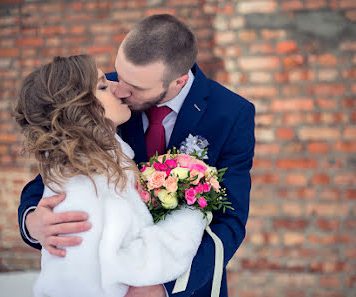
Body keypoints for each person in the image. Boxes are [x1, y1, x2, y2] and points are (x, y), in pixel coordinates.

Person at [18, 14, 255, 297]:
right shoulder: (99, 99)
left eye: (137, 88)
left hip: (187, 286)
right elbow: (55, 172)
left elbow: (229, 220)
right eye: (118, 74)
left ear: (178, 82)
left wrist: (163, 287)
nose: (120, 88)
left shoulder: (232, 114)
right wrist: (33, 221)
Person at [15, 55, 208, 297]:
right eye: (104, 86)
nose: (120, 88)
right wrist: (189, 220)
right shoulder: (88, 177)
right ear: (79, 107)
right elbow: (103, 267)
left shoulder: (97, 157)